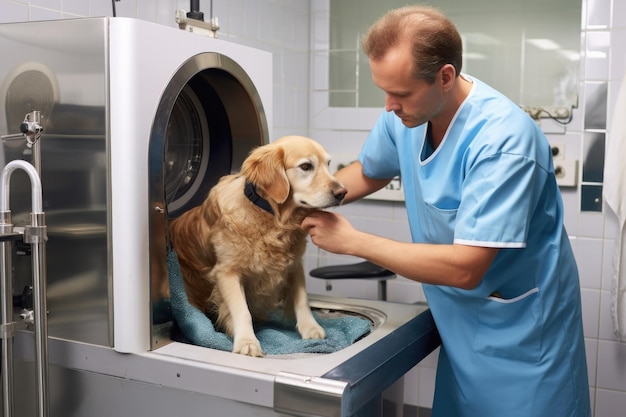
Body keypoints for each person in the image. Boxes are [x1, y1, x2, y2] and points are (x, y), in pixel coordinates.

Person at [301, 5, 590, 417]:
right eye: (383, 91)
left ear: (445, 76)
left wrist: (353, 241)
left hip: (524, 336)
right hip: (463, 323)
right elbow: (368, 170)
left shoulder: (503, 141)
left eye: (400, 94)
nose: (388, 106)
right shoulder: (406, 116)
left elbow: (466, 267)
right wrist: (306, 199)